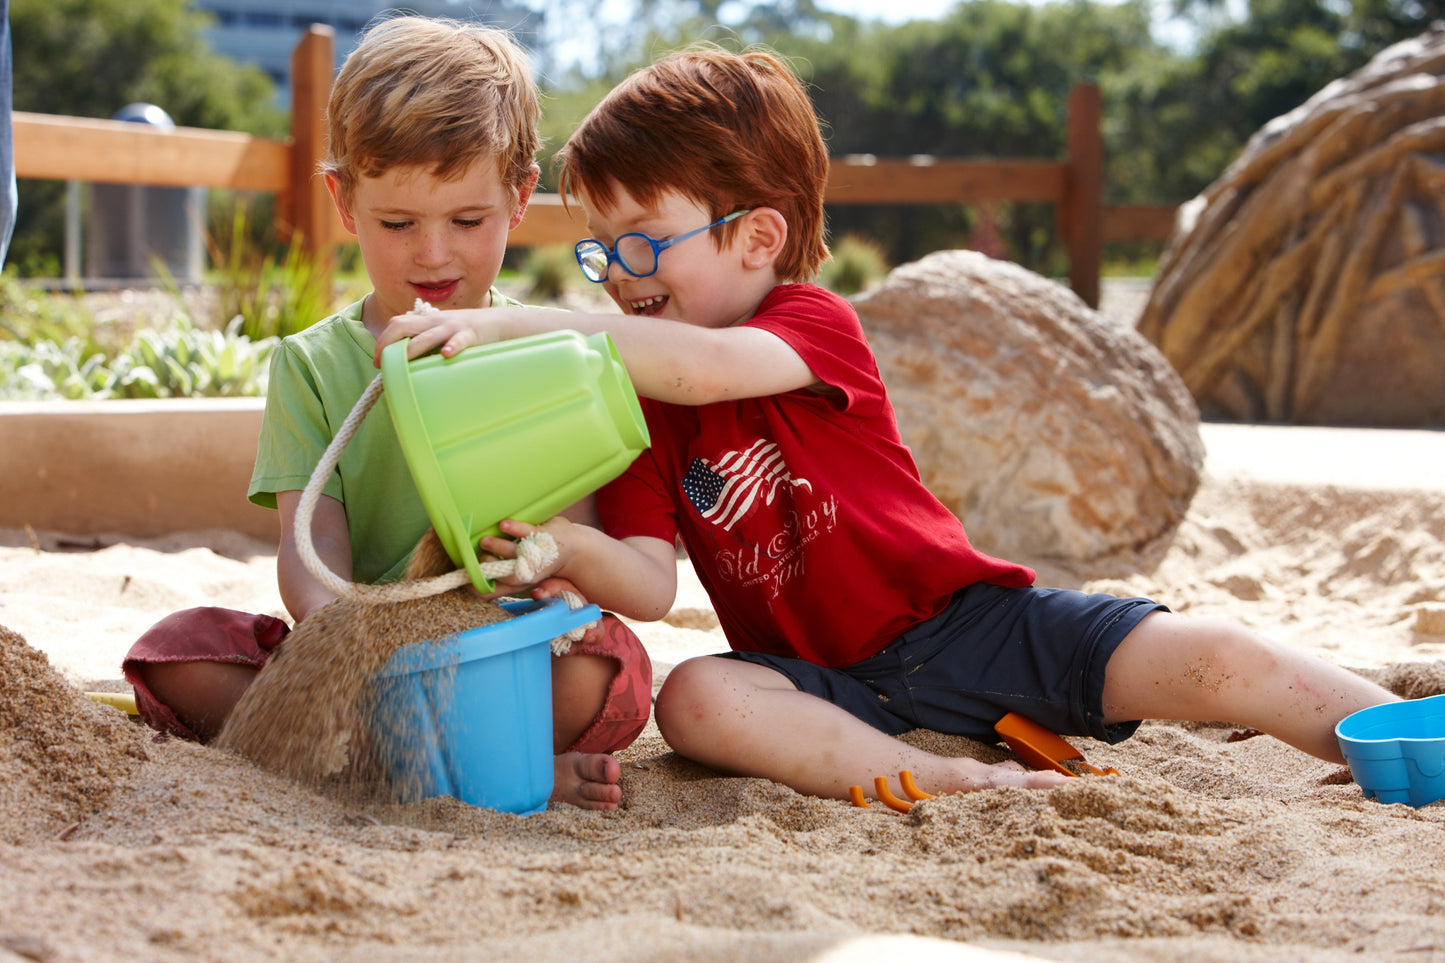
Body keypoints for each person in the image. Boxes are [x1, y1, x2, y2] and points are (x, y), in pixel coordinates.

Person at [375, 44, 1400, 804]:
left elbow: (704, 371)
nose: (618, 279)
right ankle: (935, 780)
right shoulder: (636, 401)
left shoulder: (807, 325)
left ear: (756, 238)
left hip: (971, 623)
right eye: (601, 254)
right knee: (697, 700)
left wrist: (526, 327)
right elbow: (647, 579)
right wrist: (564, 547)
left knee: (1219, 659)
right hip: (827, 683)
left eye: (641, 244)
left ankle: (1399, 740)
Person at [122, 16, 651, 811]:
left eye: (466, 222)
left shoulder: (545, 356)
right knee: (175, 652)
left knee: (607, 668)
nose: (432, 255)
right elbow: (311, 551)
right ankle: (455, 764)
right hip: (362, 660)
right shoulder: (311, 365)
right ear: (343, 201)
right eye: (397, 224)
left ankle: (419, 762)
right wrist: (354, 632)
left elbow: (566, 536)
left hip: (491, 646)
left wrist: (554, 589)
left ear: (516, 198)